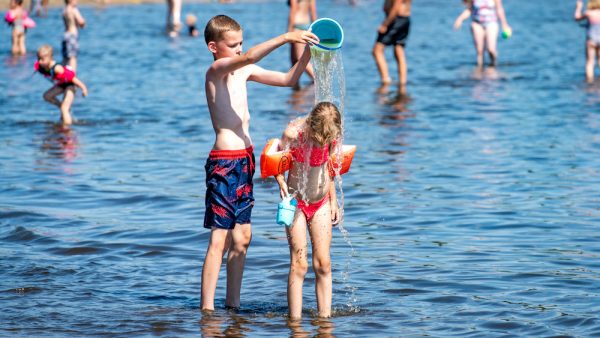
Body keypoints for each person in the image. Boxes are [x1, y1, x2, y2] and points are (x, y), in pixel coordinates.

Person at [200, 14, 319, 311]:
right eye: (233, 45)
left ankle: (233, 306)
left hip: (245, 160)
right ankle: (207, 311)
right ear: (214, 47)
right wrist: (286, 36)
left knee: (243, 237)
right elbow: (252, 55)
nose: (240, 49)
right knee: (220, 240)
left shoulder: (245, 71)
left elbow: (288, 79)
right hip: (223, 163)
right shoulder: (216, 70)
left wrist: (307, 51)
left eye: (241, 43)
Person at [274, 101, 342, 319]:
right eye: (319, 136)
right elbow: (274, 159)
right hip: (297, 203)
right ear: (312, 124)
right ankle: (295, 324)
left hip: (320, 201)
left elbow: (329, 168)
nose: (322, 141)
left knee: (323, 263)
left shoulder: (331, 133)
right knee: (299, 263)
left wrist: (333, 201)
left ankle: (325, 322)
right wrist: (280, 180)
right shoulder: (294, 133)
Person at [35, 45, 88, 126]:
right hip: (62, 84)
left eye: (42, 59)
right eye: (38, 59)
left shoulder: (57, 68)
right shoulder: (43, 66)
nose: (40, 62)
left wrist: (83, 88)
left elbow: (73, 78)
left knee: (64, 108)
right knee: (47, 96)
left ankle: (67, 130)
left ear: (50, 58)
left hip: (71, 85)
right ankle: (62, 108)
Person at [453, 0, 511, 67]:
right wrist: (460, 19)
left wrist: (504, 24)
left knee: (491, 50)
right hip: (477, 23)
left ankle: (494, 65)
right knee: (479, 51)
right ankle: (479, 69)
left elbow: (499, 9)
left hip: (491, 23)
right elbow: (470, 10)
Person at [372, 0, 412, 86]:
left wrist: (385, 24)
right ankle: (402, 82)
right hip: (403, 19)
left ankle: (385, 80)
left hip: (395, 20)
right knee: (399, 50)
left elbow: (396, 7)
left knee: (377, 50)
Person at [288, 0, 317, 88]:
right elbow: (313, 13)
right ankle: (296, 93)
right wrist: (315, 31)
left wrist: (289, 31)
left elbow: (293, 10)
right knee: (294, 61)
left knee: (299, 58)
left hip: (297, 27)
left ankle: (318, 80)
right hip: (307, 26)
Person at [575, 0, 600, 82]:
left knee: (590, 62)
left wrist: (578, 7)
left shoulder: (588, 13)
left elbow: (577, 18)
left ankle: (589, 81)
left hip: (591, 41)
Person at [62, 0, 86, 71]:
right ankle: (73, 75)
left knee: (66, 57)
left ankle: (60, 74)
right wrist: (83, 23)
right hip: (72, 36)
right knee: (73, 57)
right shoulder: (74, 10)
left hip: (65, 35)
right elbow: (81, 22)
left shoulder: (65, 10)